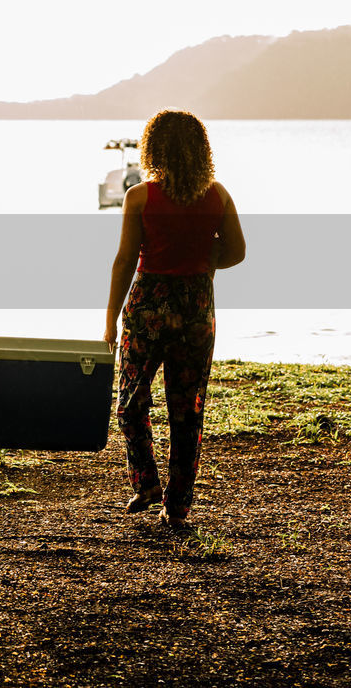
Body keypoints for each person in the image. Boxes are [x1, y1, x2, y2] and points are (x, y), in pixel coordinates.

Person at [104, 110, 245, 527]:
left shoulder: (140, 196)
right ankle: (174, 502)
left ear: (153, 149)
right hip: (197, 309)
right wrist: (202, 262)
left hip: (148, 306)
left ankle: (149, 487)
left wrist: (110, 318)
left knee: (130, 403)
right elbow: (237, 252)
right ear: (201, 151)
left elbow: (125, 260)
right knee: (188, 410)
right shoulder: (217, 195)